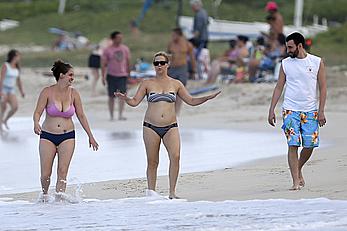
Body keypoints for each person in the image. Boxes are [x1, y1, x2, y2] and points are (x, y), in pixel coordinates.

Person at [115, 51, 220, 199]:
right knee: (153, 161)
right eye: (156, 63)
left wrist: (207, 98)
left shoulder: (176, 84)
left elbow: (190, 101)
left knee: (175, 156)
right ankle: (151, 193)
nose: (159, 66)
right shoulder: (147, 83)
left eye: (162, 63)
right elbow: (134, 102)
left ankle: (172, 192)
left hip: (171, 126)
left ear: (167, 65)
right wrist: (125, 98)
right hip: (150, 126)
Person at [268, 32, 327, 190]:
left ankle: (298, 168)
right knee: (293, 144)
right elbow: (279, 86)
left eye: (290, 47)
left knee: (310, 145)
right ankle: (295, 181)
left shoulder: (316, 62)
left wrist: (321, 111)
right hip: (290, 110)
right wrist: (271, 109)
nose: (288, 50)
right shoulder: (285, 63)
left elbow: (323, 88)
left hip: (310, 110)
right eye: (287, 47)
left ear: (300, 46)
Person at [33, 60, 99, 202]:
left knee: (62, 172)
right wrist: (35, 123)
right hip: (47, 136)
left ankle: (60, 202)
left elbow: (81, 115)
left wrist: (90, 136)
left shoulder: (74, 94)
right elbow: (37, 112)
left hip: (67, 136)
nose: (72, 78)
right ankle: (44, 197)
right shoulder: (47, 92)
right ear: (61, 75)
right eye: (70, 75)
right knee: (46, 174)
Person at [102, 31, 131, 121]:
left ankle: (120, 115)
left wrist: (129, 75)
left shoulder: (125, 49)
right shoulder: (107, 50)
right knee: (111, 96)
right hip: (111, 75)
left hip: (122, 75)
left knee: (122, 96)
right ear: (113, 39)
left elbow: (128, 62)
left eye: (121, 38)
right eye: (118, 38)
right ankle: (111, 115)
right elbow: (103, 64)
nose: (120, 39)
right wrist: (103, 76)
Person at [167, 27, 196, 114]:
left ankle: (177, 111)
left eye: (174, 35)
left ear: (179, 35)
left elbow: (192, 58)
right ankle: (171, 109)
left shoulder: (187, 44)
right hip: (172, 68)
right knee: (170, 90)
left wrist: (193, 70)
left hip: (182, 68)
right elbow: (167, 56)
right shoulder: (170, 44)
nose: (172, 37)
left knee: (180, 90)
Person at [0, 49, 25, 135]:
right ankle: (0, 126)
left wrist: (22, 91)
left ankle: (5, 120)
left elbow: (18, 81)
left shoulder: (17, 67)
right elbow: (1, 79)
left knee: (15, 107)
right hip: (4, 89)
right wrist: (0, 91)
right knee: (3, 108)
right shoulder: (6, 65)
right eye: (18, 56)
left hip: (11, 89)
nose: (19, 58)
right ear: (13, 56)